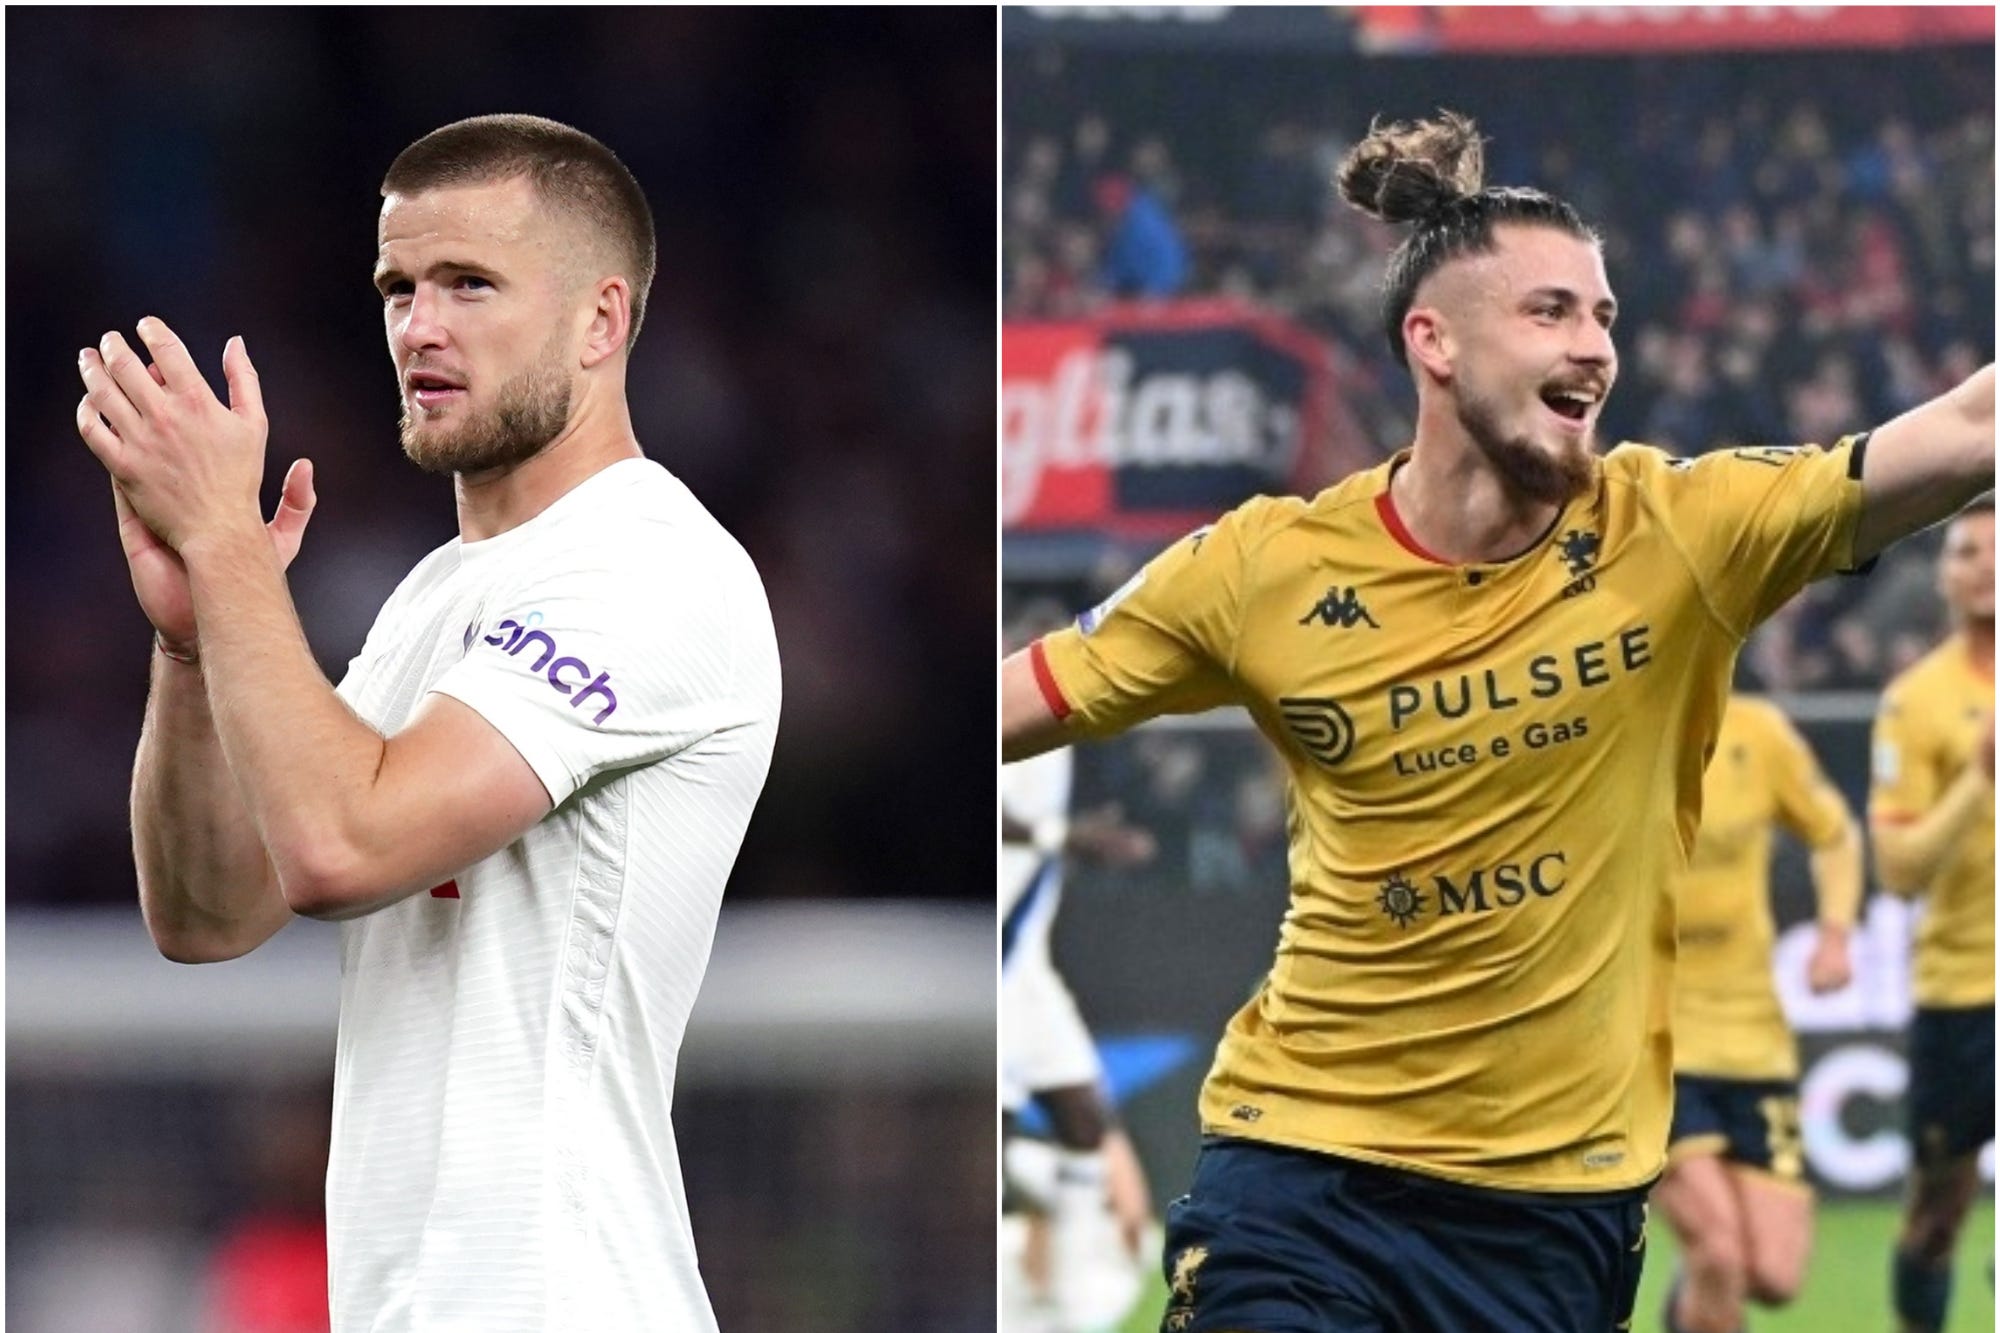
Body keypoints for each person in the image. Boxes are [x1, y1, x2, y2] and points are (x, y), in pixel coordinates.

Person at [998, 110, 1994, 1333]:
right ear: (1433, 342)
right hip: (1304, 1174)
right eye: (1550, 312)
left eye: (1603, 318)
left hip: (1552, 1217)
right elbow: (1010, 700)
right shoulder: (1264, 569)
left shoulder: (1683, 529)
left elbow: (1966, 428)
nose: (1593, 348)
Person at [73, 114, 781, 1332]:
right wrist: (193, 638)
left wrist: (233, 548)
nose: (420, 327)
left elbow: (339, 847)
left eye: (470, 284)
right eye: (398, 287)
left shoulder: (654, 568)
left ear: (600, 320)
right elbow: (208, 911)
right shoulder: (436, 597)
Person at [1651, 690, 1863, 1333]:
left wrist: (1834, 936)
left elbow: (1834, 834)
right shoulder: (1621, 726)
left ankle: (1688, 1308)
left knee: (1772, 1275)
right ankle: (1707, 1274)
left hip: (1753, 1039)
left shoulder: (1761, 733)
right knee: (1719, 1251)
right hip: (1651, 1040)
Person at [1003, 603, 1157, 1332]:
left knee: (1083, 1114)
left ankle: (1065, 1296)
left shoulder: (1060, 737)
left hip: (1025, 964)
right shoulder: (1003, 715)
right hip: (995, 961)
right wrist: (1069, 836)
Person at [1868, 497, 1994, 1333]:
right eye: (1964, 552)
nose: (1981, 565)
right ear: (1944, 578)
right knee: (1935, 1217)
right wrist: (1978, 777)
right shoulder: (1915, 701)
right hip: (1960, 993)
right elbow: (1900, 870)